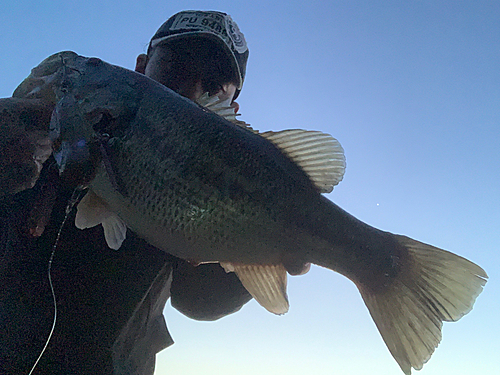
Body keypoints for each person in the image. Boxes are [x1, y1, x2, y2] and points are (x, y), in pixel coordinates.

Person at [0, 10, 251, 375]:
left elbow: (199, 300)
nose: (192, 91)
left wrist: (259, 252)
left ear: (230, 110)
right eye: (177, 67)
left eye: (215, 87)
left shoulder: (214, 193)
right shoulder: (56, 121)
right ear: (140, 68)